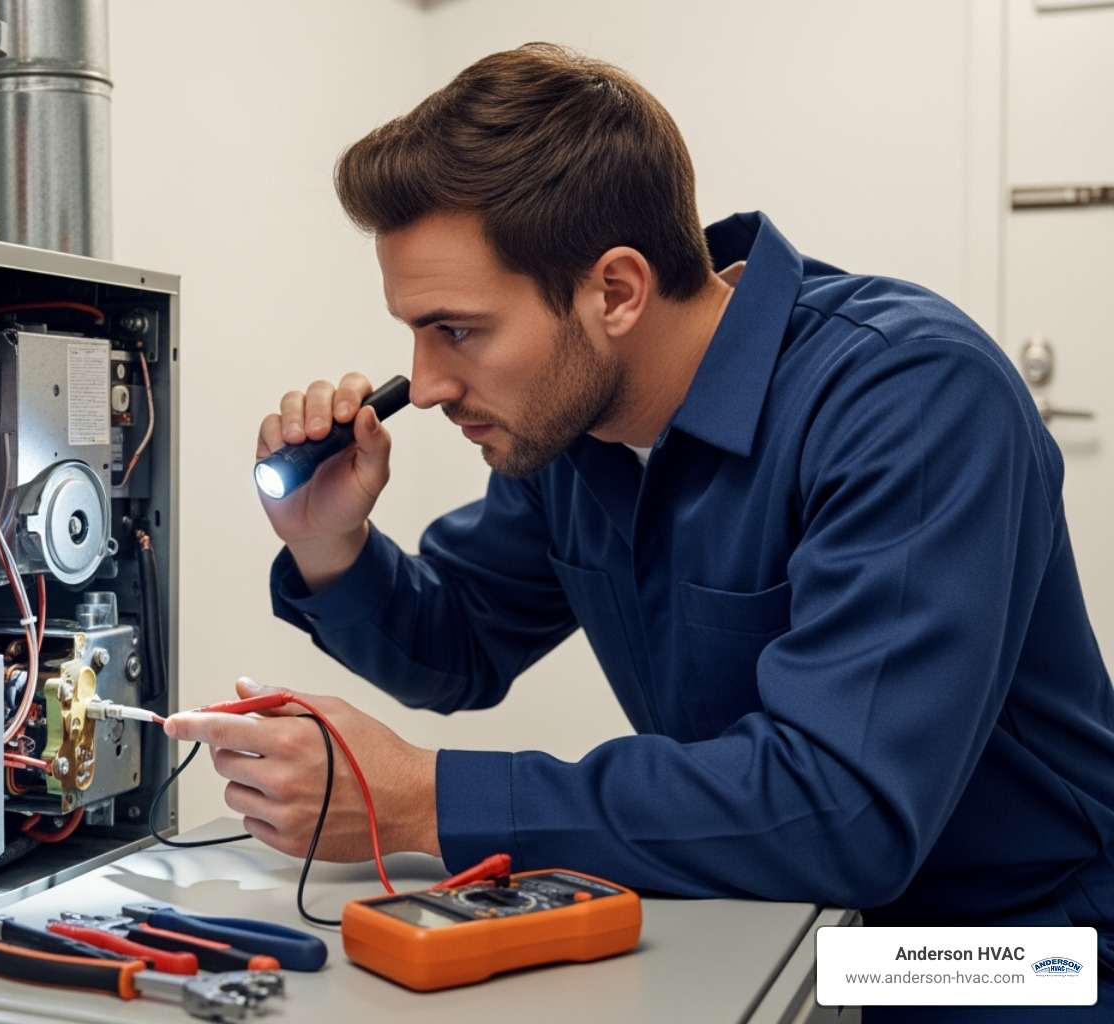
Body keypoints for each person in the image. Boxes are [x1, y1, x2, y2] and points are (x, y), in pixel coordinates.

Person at [164, 43, 1114, 1017]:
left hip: (1014, 950)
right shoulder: (579, 430)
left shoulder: (912, 399)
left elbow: (845, 807)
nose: (432, 383)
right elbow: (463, 645)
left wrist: (420, 798)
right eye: (415, 334)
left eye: (458, 330)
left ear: (616, 291)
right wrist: (330, 544)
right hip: (792, 919)